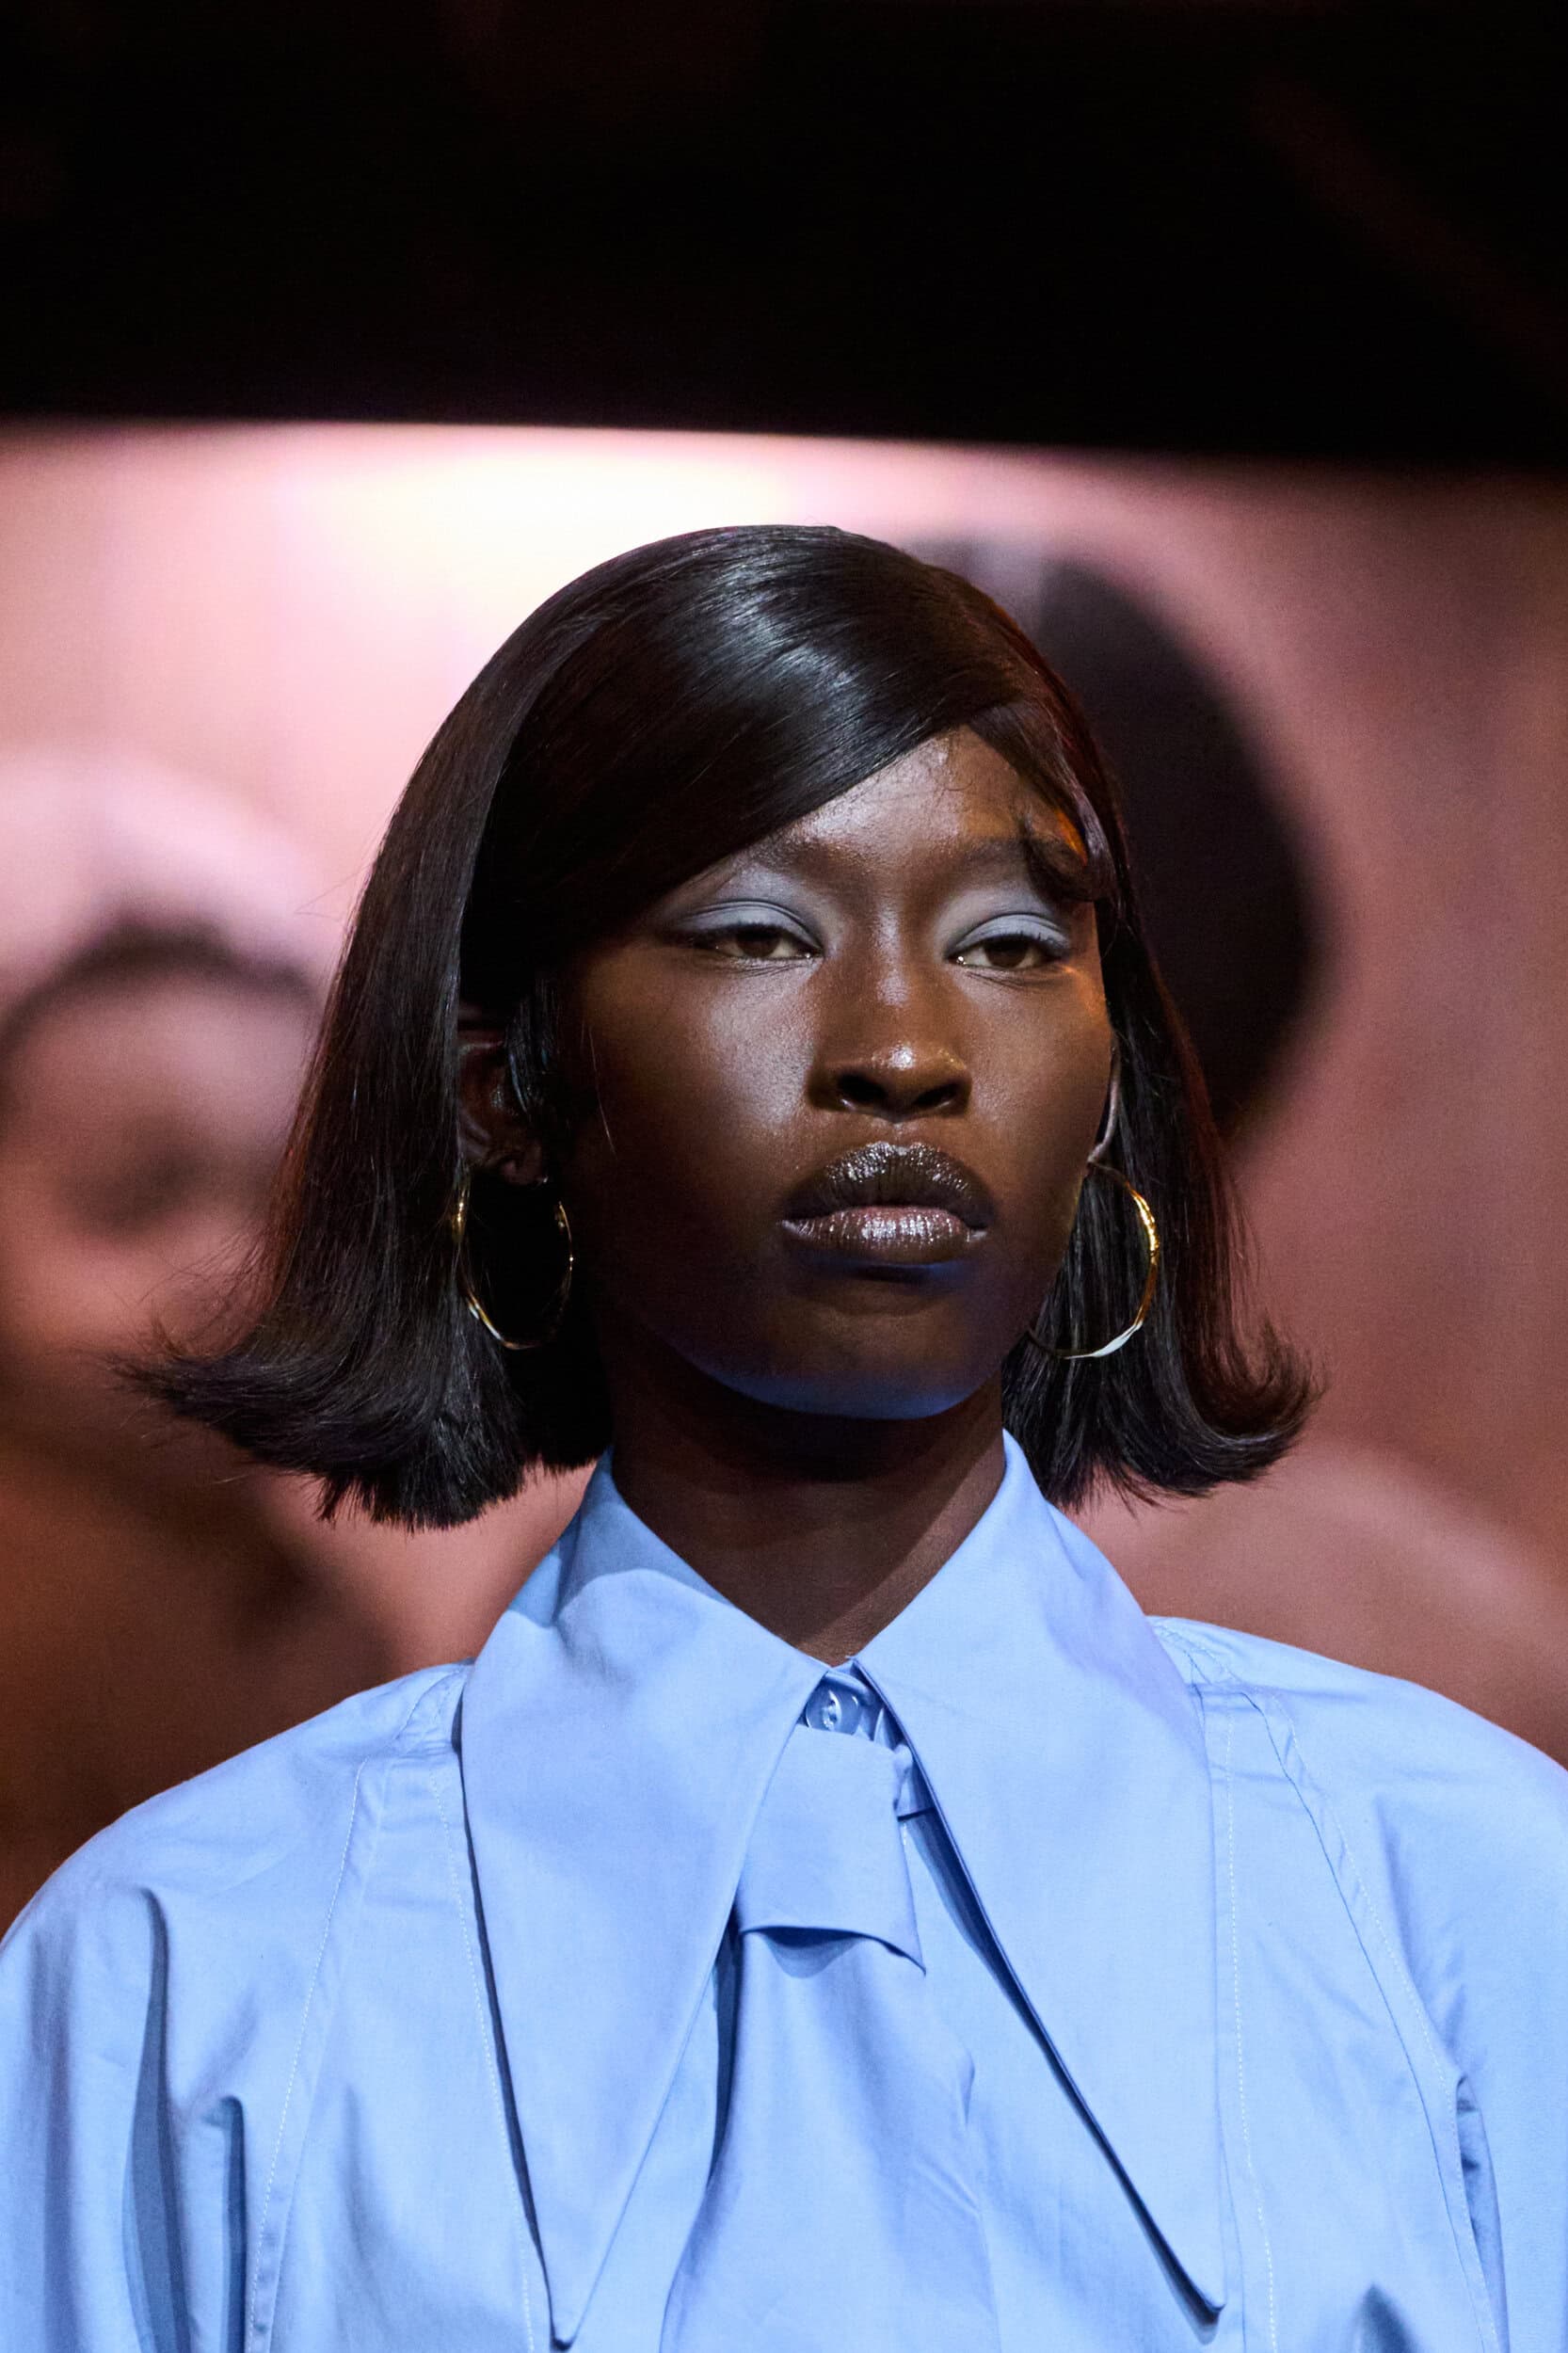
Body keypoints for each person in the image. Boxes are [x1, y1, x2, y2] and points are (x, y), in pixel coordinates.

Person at [1, 530, 1561, 2351]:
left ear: (1112, 1078)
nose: (901, 1049)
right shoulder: (170, 1988)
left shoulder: (1470, 1900)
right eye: (760, 934)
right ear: (508, 1086)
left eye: (1009, 943)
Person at [0, 754, 580, 1926]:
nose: (231, 1271)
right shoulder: (38, 1582)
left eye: (287, 1202)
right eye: (131, 1196)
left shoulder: (282, 1532)